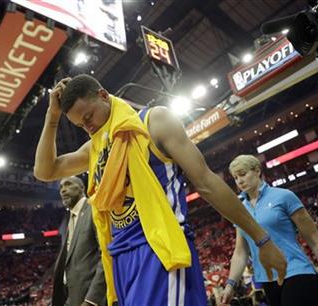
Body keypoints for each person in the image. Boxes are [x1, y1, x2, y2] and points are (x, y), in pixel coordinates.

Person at [34, 74, 287, 306]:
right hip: (120, 259)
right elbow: (45, 170)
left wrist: (261, 239)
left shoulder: (154, 121)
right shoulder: (96, 147)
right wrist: (51, 118)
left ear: (102, 95)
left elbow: (207, 183)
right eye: (80, 125)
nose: (87, 127)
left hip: (159, 249)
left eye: (88, 117)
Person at [221, 155, 318, 306]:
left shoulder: (284, 196)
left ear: (257, 171)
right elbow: (240, 252)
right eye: (235, 177)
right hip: (268, 282)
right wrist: (230, 285)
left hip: (297, 273)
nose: (239, 181)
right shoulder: (239, 209)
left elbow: (315, 240)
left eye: (243, 174)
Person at [52, 176, 106, 306]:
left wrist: (92, 300)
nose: (63, 190)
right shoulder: (68, 219)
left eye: (68, 184)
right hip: (70, 295)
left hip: (90, 298)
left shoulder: (94, 209)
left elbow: (105, 255)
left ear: (82, 188)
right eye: (61, 187)